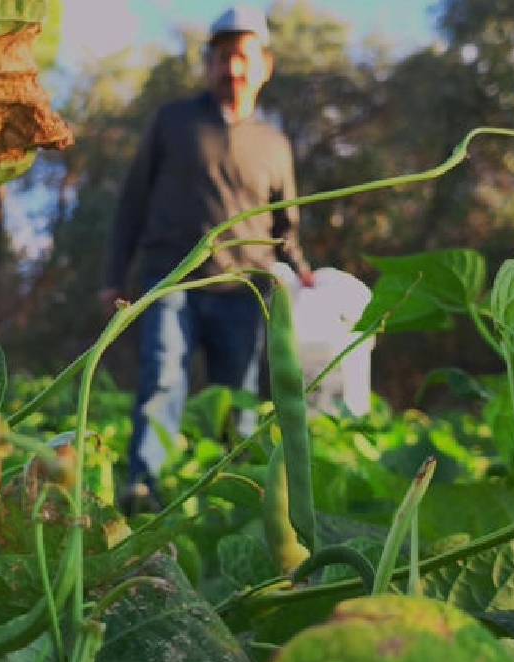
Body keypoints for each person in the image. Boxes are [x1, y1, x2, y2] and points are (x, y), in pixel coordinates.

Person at [101, 6, 315, 506]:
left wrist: (302, 271)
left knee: (237, 399)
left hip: (245, 291)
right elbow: (132, 200)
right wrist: (114, 275)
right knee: (162, 377)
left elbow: (286, 227)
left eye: (241, 57)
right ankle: (143, 488)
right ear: (207, 65)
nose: (231, 69)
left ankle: (230, 496)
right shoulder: (173, 121)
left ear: (265, 65)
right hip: (171, 279)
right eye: (220, 58)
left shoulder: (275, 143)